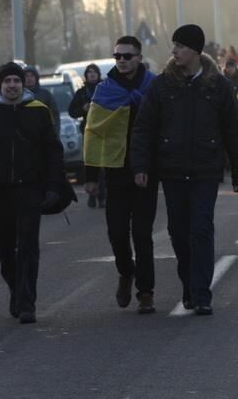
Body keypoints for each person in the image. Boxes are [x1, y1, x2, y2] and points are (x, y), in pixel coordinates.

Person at [131, 24, 238, 315]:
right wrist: (141, 165)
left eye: (180, 46)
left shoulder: (217, 85)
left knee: (201, 229)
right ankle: (188, 283)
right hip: (171, 170)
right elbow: (144, 128)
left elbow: (233, 130)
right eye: (174, 46)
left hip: (205, 170)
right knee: (179, 232)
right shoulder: (162, 85)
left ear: (196, 51)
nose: (174, 52)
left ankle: (201, 293)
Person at [0, 62, 64, 324]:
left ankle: (27, 302)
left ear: (23, 84)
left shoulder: (38, 113)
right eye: (7, 81)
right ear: (0, 86)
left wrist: (54, 187)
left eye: (16, 81)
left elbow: (53, 151)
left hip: (30, 189)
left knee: (28, 246)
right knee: (5, 249)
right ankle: (16, 290)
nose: (12, 86)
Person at [83, 36, 159, 314]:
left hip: (146, 174)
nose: (122, 61)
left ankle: (146, 291)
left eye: (128, 56)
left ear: (139, 57)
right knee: (117, 232)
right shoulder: (105, 91)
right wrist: (90, 176)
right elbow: (94, 133)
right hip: (114, 172)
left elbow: (162, 129)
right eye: (117, 56)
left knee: (142, 233)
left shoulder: (153, 87)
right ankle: (126, 272)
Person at [68, 63, 106, 208]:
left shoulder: (105, 89)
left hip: (104, 130)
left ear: (98, 74)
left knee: (103, 166)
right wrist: (83, 108)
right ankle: (92, 194)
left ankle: (102, 196)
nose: (91, 74)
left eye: (94, 72)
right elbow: (72, 111)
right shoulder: (82, 92)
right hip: (88, 131)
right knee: (90, 164)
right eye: (89, 72)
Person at [23, 66, 60, 136]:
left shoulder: (46, 95)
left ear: (36, 78)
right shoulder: (19, 96)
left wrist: (55, 134)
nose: (29, 78)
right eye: (26, 76)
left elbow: (55, 115)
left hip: (44, 135)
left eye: (32, 76)